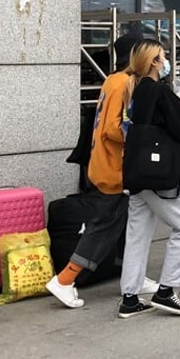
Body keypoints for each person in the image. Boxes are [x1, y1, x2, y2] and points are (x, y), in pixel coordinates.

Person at [47, 35, 151, 309]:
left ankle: (135, 278)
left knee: (126, 223)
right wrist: (142, 135)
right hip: (115, 168)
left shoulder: (112, 80)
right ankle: (65, 279)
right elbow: (113, 129)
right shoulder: (126, 83)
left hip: (104, 165)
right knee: (106, 226)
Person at [118, 40, 180, 318]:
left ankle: (130, 297)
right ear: (153, 62)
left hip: (137, 171)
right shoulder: (160, 92)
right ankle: (167, 290)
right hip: (160, 173)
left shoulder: (136, 90)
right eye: (163, 57)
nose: (166, 62)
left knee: (137, 233)